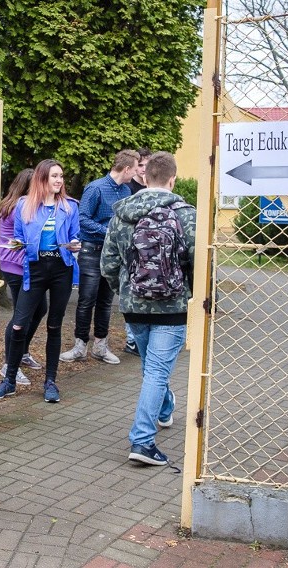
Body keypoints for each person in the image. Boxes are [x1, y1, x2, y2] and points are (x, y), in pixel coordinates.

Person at [101, 152, 196, 465]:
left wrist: (126, 291)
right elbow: (198, 262)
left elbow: (109, 263)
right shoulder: (186, 214)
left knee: (152, 369)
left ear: (144, 177)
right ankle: (142, 442)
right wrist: (190, 294)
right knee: (156, 370)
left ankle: (165, 409)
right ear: (172, 179)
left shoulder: (123, 214)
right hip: (172, 307)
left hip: (134, 307)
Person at [0, 159, 81, 403]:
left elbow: (75, 236)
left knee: (54, 325)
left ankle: (50, 382)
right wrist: (21, 247)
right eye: (54, 176)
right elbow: (20, 238)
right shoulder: (24, 205)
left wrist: (75, 245)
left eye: (61, 176)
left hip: (61, 270)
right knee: (19, 323)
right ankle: (9, 380)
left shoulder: (70, 207)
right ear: (42, 179)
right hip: (34, 269)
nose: (59, 180)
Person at [60, 149, 140, 365]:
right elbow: (83, 219)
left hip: (114, 254)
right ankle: (79, 346)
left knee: (106, 302)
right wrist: (109, 232)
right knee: (86, 300)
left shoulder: (126, 191)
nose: (136, 173)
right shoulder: (96, 188)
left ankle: (100, 347)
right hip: (92, 252)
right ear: (125, 169)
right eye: (134, 169)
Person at [0, 168, 48, 385]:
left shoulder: (19, 204)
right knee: (22, 317)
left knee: (40, 309)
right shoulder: (18, 208)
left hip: (22, 266)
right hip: (17, 267)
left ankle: (22, 351)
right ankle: (10, 364)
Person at [125, 147, 153, 356]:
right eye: (140, 165)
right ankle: (131, 340)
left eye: (146, 165)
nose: (143, 169)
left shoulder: (155, 187)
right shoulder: (128, 189)